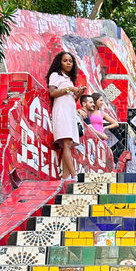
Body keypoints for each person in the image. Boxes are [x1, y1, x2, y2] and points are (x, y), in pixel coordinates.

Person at [47, 51, 85, 181]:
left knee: (68, 145)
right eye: (65, 60)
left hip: (70, 113)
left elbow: (71, 100)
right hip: (61, 112)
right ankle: (74, 176)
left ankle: (65, 177)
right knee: (67, 143)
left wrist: (78, 94)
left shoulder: (69, 79)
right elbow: (52, 92)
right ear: (60, 62)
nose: (68, 63)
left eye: (70, 61)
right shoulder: (55, 75)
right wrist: (70, 89)